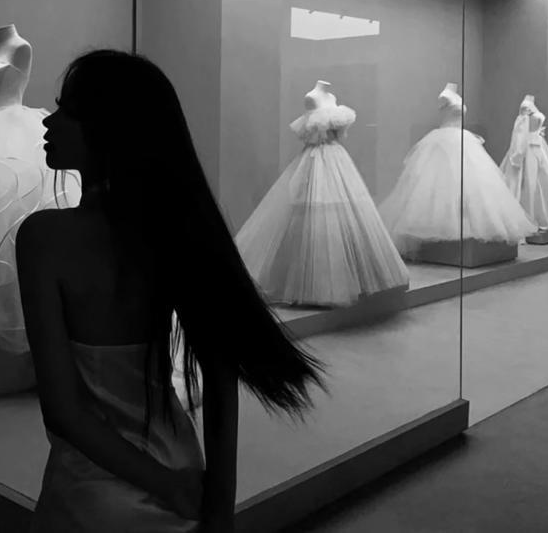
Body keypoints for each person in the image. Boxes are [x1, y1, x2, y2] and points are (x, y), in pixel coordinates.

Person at [16, 50, 325, 532]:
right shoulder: (171, 233)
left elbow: (64, 412)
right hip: (180, 467)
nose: (48, 121)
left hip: (94, 489)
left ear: (108, 127)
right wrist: (216, 504)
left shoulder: (43, 238)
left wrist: (165, 486)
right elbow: (221, 379)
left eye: (68, 110)